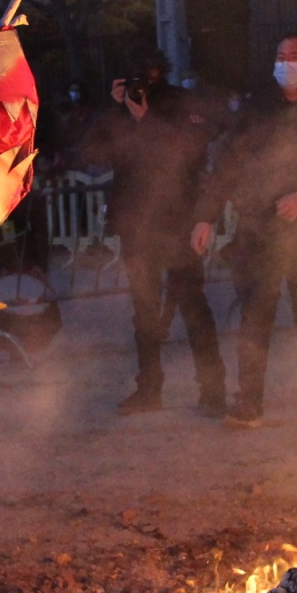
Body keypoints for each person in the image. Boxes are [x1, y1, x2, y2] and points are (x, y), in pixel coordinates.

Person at [190, 33, 297, 428]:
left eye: (295, 57)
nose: (287, 63)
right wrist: (205, 216)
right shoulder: (258, 109)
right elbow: (228, 163)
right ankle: (249, 403)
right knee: (254, 316)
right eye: (281, 56)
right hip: (259, 229)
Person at [99, 51, 226, 416]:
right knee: (144, 311)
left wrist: (146, 118)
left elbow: (190, 150)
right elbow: (100, 151)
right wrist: (115, 110)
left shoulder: (180, 102)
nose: (142, 81)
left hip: (178, 218)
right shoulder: (121, 106)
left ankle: (212, 389)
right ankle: (149, 389)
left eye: (147, 73)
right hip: (137, 221)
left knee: (192, 305)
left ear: (159, 71)